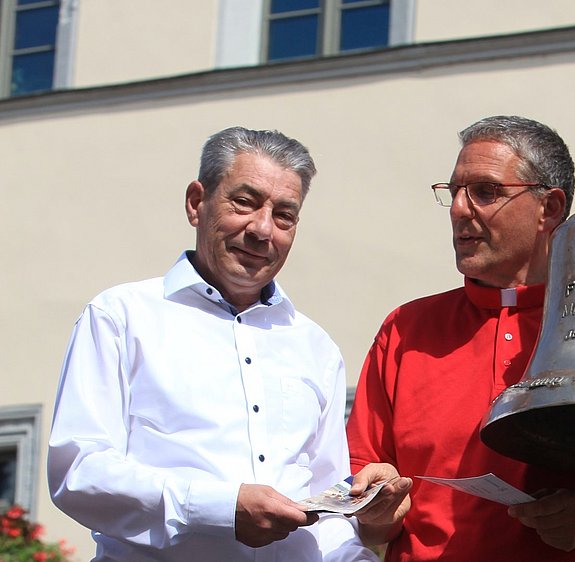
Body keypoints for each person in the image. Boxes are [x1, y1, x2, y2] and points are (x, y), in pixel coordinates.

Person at [346, 115, 575, 561]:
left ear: (549, 208)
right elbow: (368, 516)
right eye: (453, 191)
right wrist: (376, 507)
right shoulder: (405, 330)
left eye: (484, 192)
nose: (459, 208)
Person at [48, 126, 379, 562]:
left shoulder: (314, 345)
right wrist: (220, 508)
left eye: (284, 214)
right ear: (196, 203)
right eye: (245, 202)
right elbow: (78, 472)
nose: (263, 229)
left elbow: (327, 511)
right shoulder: (121, 316)